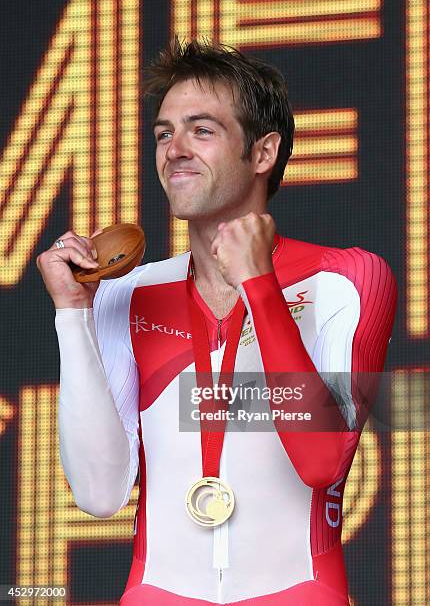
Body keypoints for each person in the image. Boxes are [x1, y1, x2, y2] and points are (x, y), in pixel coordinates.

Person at [37, 39, 397, 605]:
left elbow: (321, 460)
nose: (174, 148)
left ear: (263, 153)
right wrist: (73, 314)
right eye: (163, 133)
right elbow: (99, 492)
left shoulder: (345, 279)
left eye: (201, 130)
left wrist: (257, 283)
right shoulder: (127, 291)